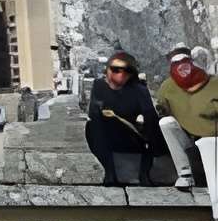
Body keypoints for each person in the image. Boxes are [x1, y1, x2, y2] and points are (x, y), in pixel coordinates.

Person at [86, 51, 162, 185]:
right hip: (108, 135)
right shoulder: (99, 85)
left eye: (126, 70)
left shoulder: (139, 89)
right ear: (108, 70)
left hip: (133, 136)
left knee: (153, 127)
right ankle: (110, 172)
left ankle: (144, 173)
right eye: (115, 69)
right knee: (93, 126)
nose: (120, 74)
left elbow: (151, 117)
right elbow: (93, 113)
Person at [152, 47, 218, 193]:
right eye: (176, 63)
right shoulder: (166, 87)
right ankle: (185, 173)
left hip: (213, 136)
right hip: (188, 136)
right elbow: (161, 110)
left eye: (184, 61)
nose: (182, 66)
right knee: (166, 123)